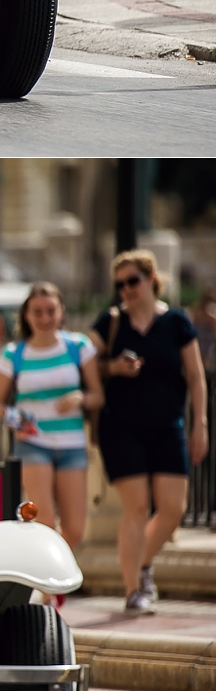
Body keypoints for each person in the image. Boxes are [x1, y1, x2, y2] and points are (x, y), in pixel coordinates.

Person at [89, 250, 209, 613]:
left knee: (173, 509)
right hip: (121, 427)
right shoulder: (109, 323)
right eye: (120, 284)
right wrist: (112, 367)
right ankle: (132, 591)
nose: (126, 289)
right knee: (137, 508)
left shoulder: (176, 322)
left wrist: (200, 422)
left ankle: (142, 565)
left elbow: (196, 376)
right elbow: (84, 361)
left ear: (152, 281)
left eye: (133, 281)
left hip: (168, 424)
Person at [0, 284, 104, 597]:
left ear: (61, 311)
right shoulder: (13, 354)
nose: (45, 317)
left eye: (51, 310)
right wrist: (16, 420)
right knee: (44, 521)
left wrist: (80, 397)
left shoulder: (78, 346)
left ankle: (49, 582)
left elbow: (98, 395)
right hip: (33, 444)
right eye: (37, 312)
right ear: (27, 316)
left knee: (75, 529)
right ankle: (45, 589)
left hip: (71, 445)